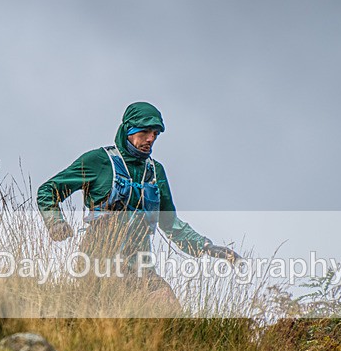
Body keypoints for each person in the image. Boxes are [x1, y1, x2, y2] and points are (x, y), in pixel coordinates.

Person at [37, 101, 240, 311]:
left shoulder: (155, 172)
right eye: (144, 132)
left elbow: (170, 224)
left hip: (140, 266)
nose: (151, 139)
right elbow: (48, 190)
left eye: (155, 134)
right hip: (97, 263)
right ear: (128, 130)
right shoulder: (98, 161)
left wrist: (206, 247)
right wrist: (55, 222)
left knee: (170, 310)